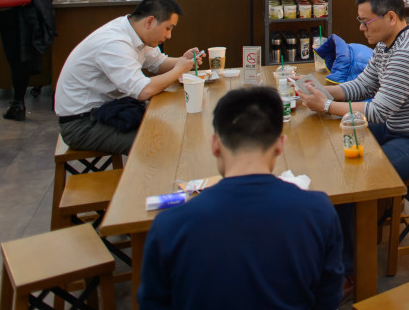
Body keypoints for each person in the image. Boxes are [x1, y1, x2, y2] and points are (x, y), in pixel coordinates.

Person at [138, 86, 343, 310]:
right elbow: (328, 299)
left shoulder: (168, 226)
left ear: (215, 145)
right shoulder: (319, 212)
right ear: (280, 145)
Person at [295, 0, 409, 180]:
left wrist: (326, 105)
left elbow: (377, 111)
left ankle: (376, 209)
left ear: (391, 17)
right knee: (339, 138)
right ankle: (381, 206)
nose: (361, 28)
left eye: (365, 21)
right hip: (397, 127)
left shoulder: (406, 53)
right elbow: (364, 85)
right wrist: (319, 89)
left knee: (364, 171)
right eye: (360, 20)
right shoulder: (386, 43)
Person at [55, 0, 202, 155]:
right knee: (157, 142)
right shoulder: (115, 43)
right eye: (168, 28)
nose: (169, 36)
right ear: (150, 22)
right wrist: (178, 70)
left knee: (172, 124)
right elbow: (142, 91)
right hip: (82, 124)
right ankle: (148, 179)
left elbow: (158, 64)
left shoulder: (135, 32)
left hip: (109, 110)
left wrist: (182, 61)